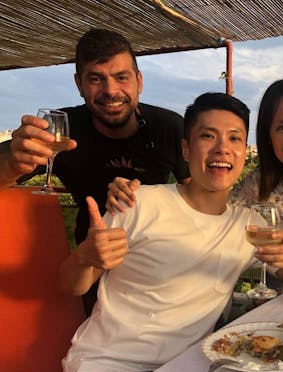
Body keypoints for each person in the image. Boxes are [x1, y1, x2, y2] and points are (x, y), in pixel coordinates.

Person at [56, 92, 283, 372]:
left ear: (243, 152)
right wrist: (85, 258)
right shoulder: (137, 202)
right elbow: (70, 285)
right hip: (107, 368)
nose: (222, 148)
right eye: (208, 136)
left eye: (234, 138)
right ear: (185, 148)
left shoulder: (249, 225)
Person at [105, 76, 283, 293]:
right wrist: (135, 195)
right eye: (281, 127)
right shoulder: (258, 186)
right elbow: (208, 203)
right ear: (267, 137)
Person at [0, 28, 188, 315]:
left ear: (138, 80)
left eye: (121, 77)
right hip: (89, 267)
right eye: (96, 79)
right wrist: (13, 164)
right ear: (79, 84)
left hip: (156, 269)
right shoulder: (59, 128)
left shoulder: (169, 127)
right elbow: (8, 167)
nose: (111, 91)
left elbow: (199, 194)